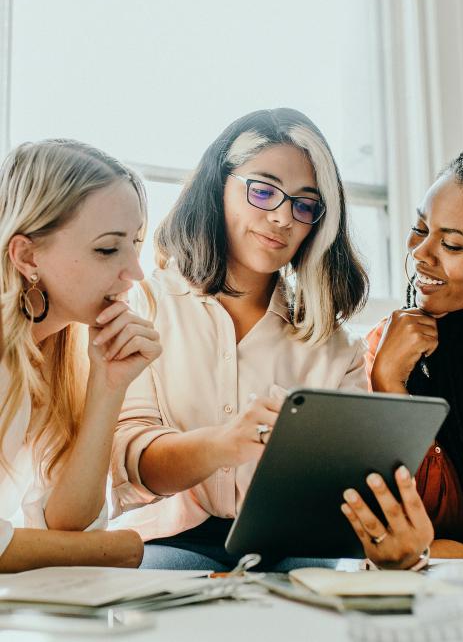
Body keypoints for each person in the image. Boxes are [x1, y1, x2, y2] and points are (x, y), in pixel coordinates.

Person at [112, 108, 433, 571]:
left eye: (304, 205)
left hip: (297, 552)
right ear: (218, 187)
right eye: (263, 191)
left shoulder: (334, 346)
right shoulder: (144, 304)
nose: (283, 217)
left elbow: (349, 488)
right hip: (166, 544)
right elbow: (133, 461)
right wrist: (224, 443)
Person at [0, 139, 161, 572]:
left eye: (135, 242)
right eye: (108, 249)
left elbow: (69, 523)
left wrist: (108, 387)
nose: (136, 272)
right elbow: (86, 546)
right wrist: (120, 549)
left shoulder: (55, 354)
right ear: (27, 256)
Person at [366, 133, 463, 564]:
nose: (421, 254)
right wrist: (388, 382)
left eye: (453, 244)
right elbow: (395, 524)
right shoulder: (391, 348)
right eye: (420, 229)